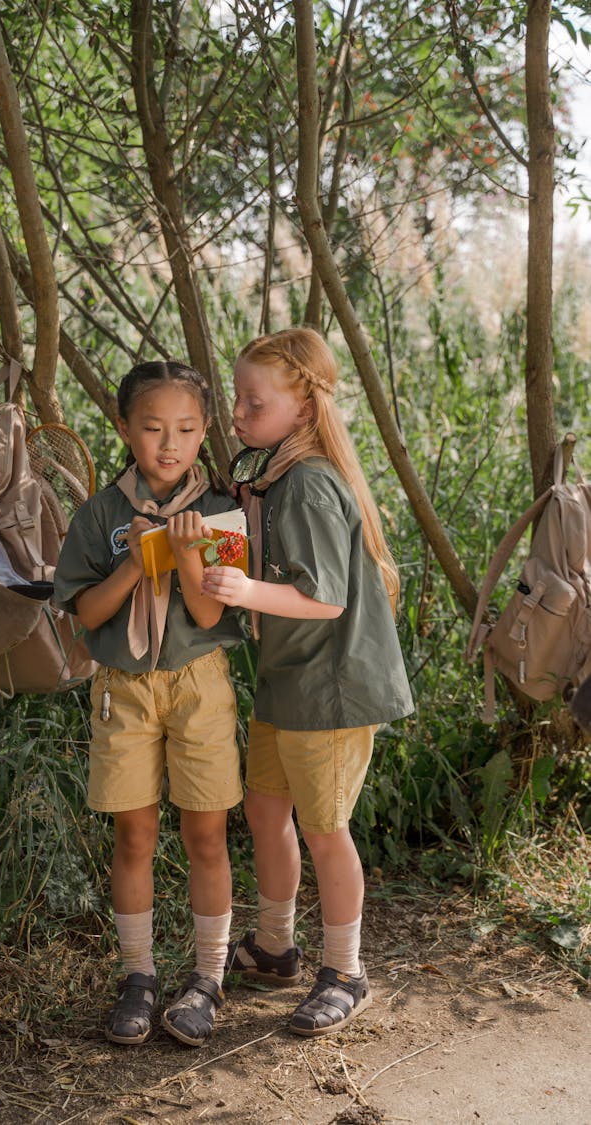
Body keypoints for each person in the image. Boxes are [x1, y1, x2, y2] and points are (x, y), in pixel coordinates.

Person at [201, 327, 413, 1037]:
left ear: (301, 407)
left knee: (326, 831)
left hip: (332, 688)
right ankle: (274, 945)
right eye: (236, 398)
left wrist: (241, 588)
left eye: (252, 401)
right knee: (266, 811)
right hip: (286, 680)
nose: (237, 411)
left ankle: (347, 972)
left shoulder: (311, 484)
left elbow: (323, 598)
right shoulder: (268, 473)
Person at [53, 360, 245, 1048]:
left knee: (206, 835)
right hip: (124, 688)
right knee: (133, 834)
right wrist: (134, 560)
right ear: (125, 428)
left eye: (187, 429)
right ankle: (138, 976)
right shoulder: (102, 512)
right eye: (154, 427)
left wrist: (187, 553)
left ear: (204, 433)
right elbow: (87, 613)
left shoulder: (222, 509)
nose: (171, 443)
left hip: (199, 682)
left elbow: (205, 606)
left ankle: (207, 980)